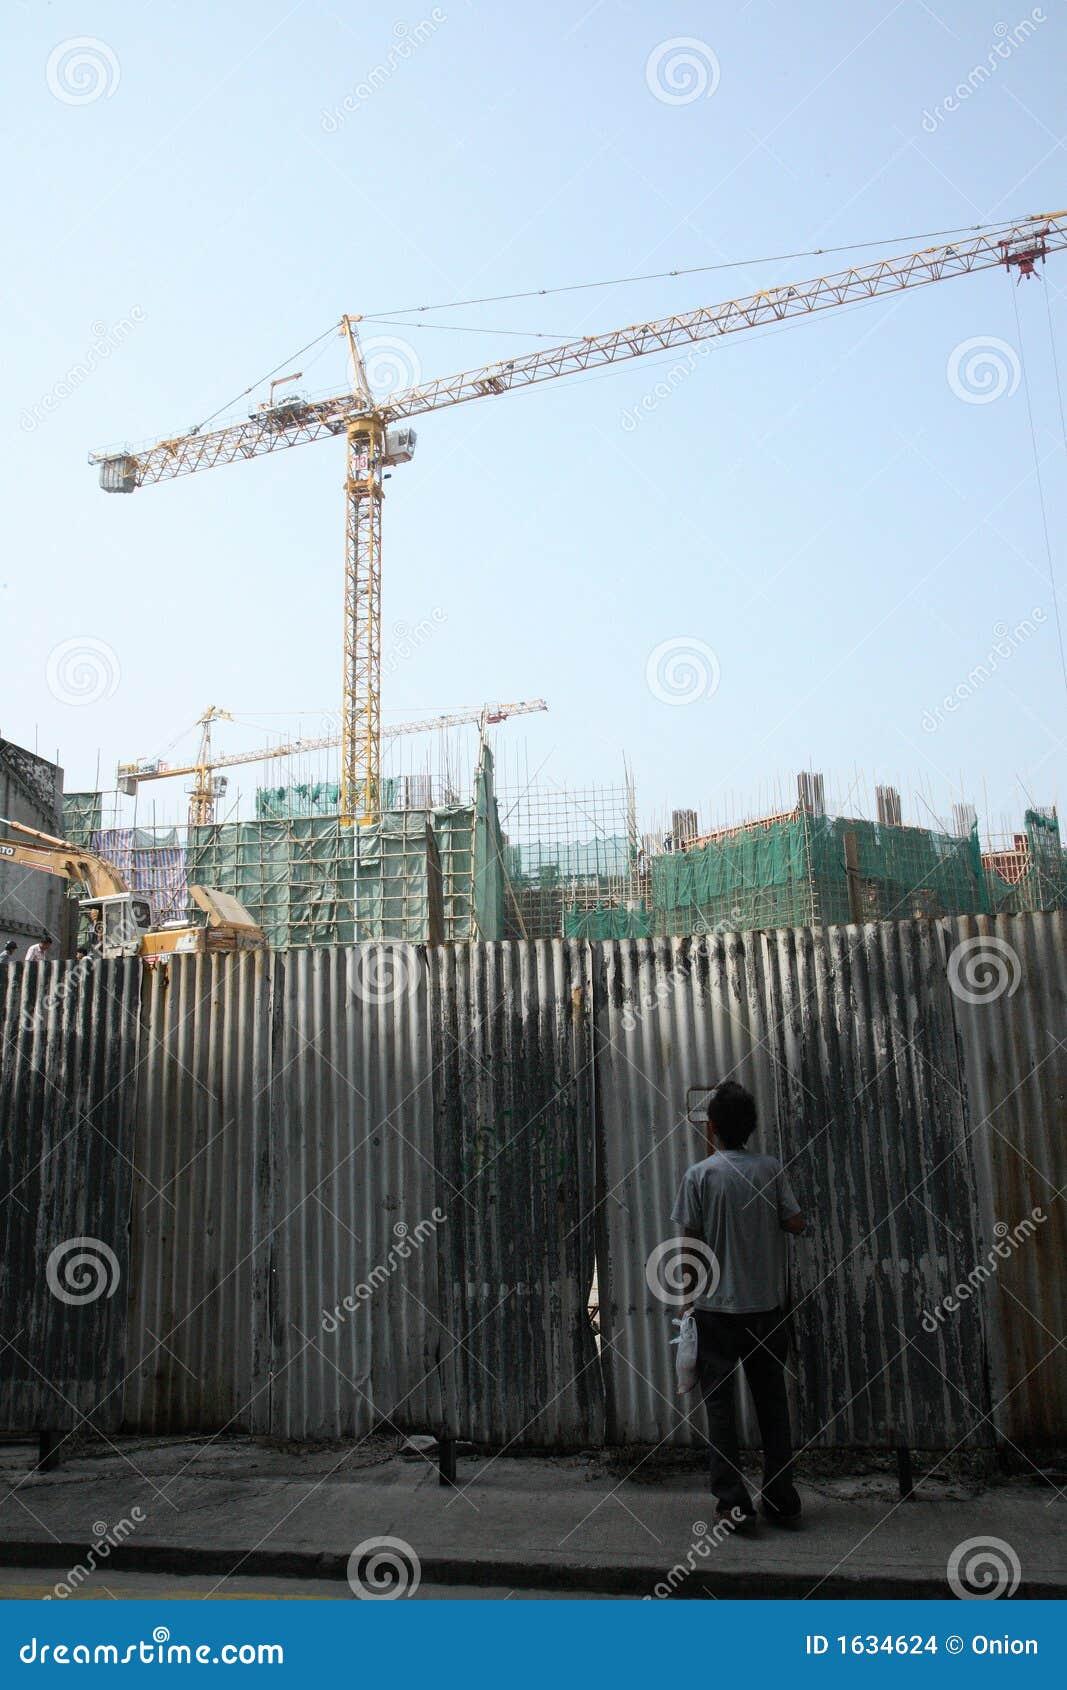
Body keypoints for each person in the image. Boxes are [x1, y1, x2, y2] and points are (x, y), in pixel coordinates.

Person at [671, 1080, 805, 1526]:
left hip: (715, 1313)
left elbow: (689, 1247)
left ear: (713, 1128)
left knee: (722, 1410)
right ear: (749, 1127)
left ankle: (733, 1502)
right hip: (766, 1310)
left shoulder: (700, 1176)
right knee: (772, 1406)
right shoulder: (770, 1170)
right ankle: (782, 1498)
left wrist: (686, 1303)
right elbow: (796, 1223)